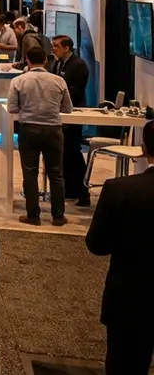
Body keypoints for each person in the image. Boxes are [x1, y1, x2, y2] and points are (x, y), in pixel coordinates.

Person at [86, 119, 154, 374]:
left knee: (125, 365)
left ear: (144, 149)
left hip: (130, 296)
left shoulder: (120, 189)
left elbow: (97, 244)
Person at [8, 45, 73, 226]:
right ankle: (58, 216)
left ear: (27, 61)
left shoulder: (18, 80)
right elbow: (67, 108)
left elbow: (12, 108)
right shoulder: (59, 81)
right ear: (45, 60)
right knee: (56, 174)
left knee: (30, 173)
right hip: (53, 129)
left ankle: (33, 215)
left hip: (28, 129)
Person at [51, 35, 91, 207]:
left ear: (66, 48)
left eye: (56, 46)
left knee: (73, 154)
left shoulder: (78, 65)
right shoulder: (57, 62)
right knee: (63, 154)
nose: (53, 49)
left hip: (72, 115)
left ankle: (83, 192)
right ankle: (69, 190)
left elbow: (74, 91)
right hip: (59, 115)